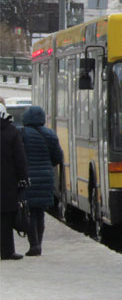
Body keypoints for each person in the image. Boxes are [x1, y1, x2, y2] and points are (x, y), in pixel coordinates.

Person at [19, 105, 63, 256]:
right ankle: (39, 244)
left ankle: (34, 244)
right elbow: (58, 157)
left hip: (29, 176)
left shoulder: (23, 134)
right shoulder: (50, 134)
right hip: (46, 177)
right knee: (40, 213)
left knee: (29, 211)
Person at [0, 102, 30, 260]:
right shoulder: (11, 132)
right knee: (5, 218)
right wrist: (23, 178)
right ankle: (7, 251)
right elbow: (20, 159)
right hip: (7, 183)